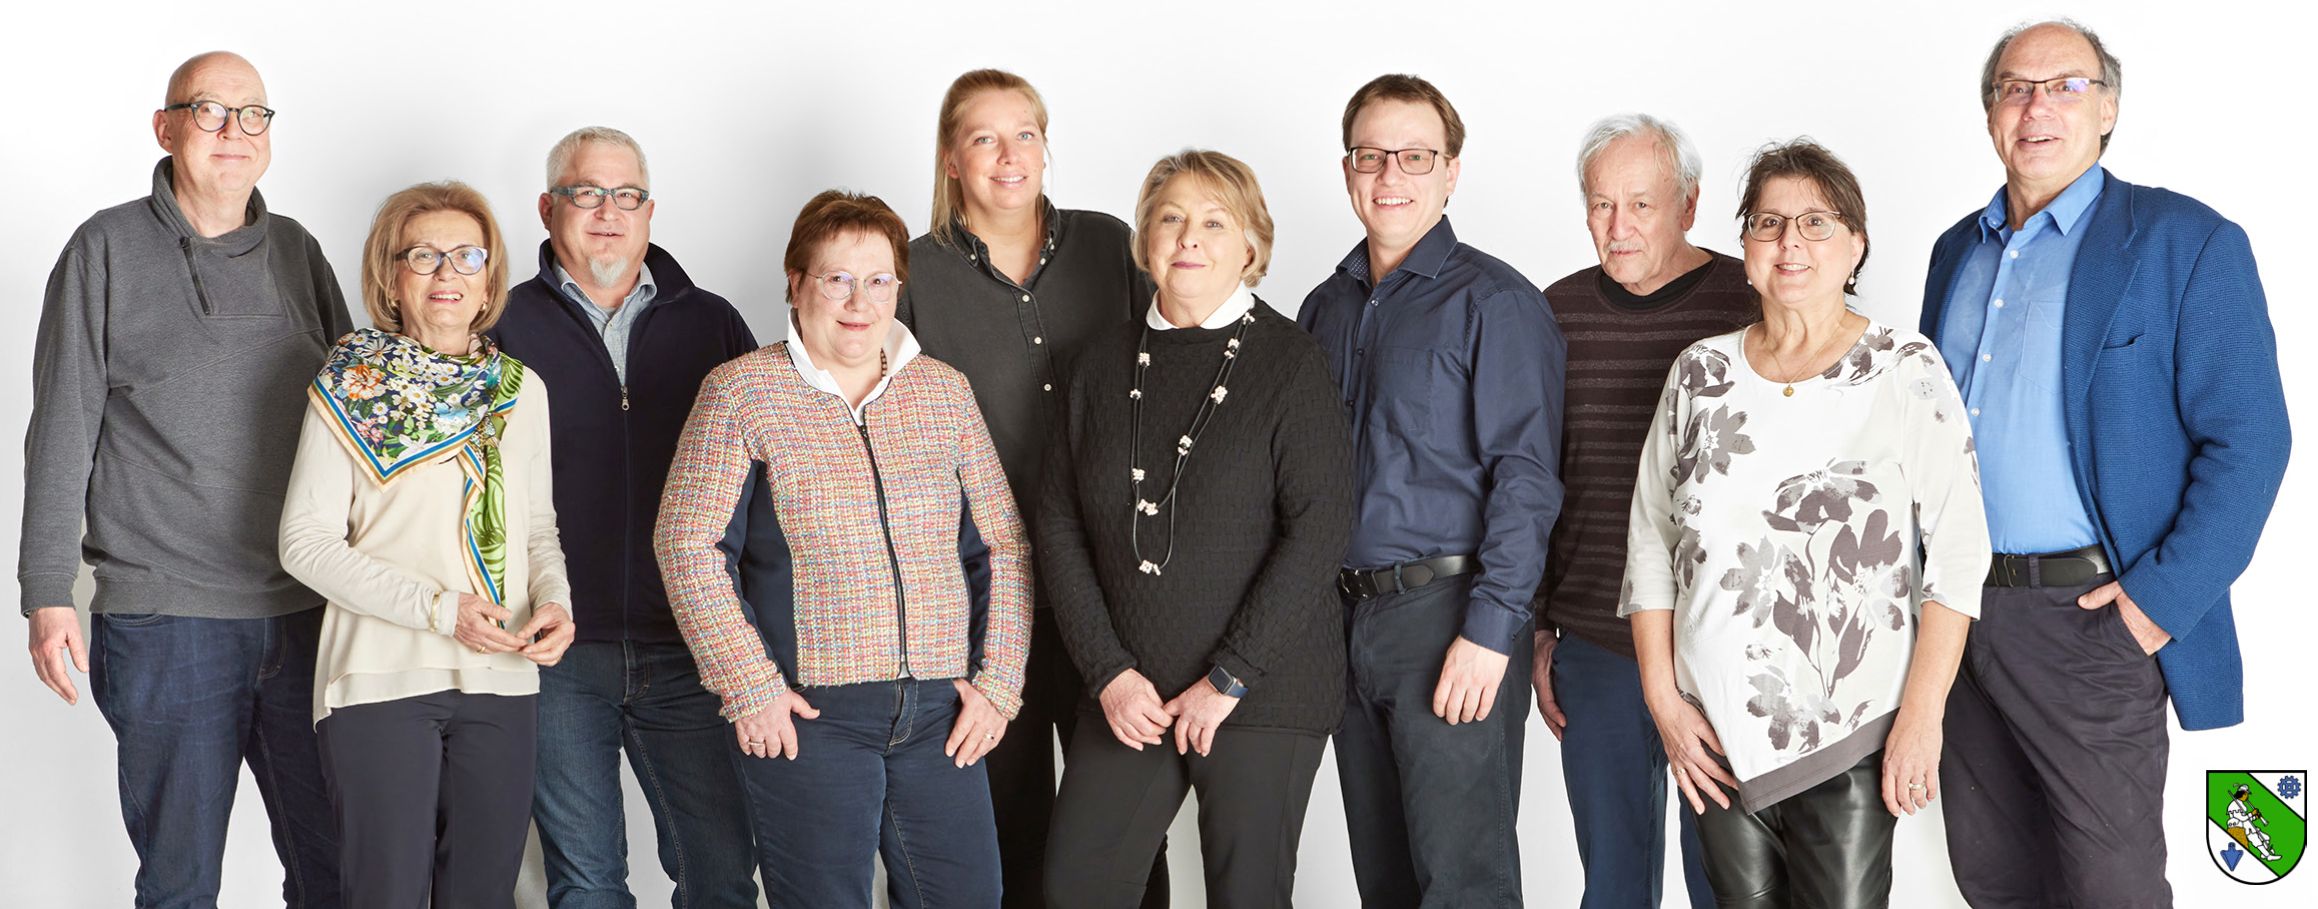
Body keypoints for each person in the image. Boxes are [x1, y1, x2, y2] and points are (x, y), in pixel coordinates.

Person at [1922, 20, 2291, 909]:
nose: (2037, 105)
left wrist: (2153, 608)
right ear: (1989, 113)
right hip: (1960, 616)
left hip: (2093, 620)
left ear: (2109, 108)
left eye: (2066, 86)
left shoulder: (2185, 242)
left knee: (2110, 886)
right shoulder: (1953, 254)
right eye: (2015, 87)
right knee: (1994, 876)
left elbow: (2252, 442)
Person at [20, 50, 349, 907]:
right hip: (169, 624)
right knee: (180, 884)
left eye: (252, 115)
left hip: (310, 614)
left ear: (269, 135)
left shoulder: (298, 252)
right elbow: (61, 426)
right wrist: (46, 588)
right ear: (165, 128)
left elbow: (359, 424)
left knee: (342, 872)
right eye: (208, 112)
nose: (232, 133)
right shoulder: (104, 249)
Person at [1623, 139, 1989, 908]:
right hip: (1712, 735)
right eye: (1768, 222)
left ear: (1855, 243)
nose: (1791, 242)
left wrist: (1922, 717)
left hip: (1850, 735)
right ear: (1746, 248)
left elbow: (1958, 553)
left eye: (1816, 222)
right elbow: (1651, 544)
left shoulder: (1902, 368)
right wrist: (1665, 702)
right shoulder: (1699, 373)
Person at [655, 190, 1032, 908]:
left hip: (941, 715)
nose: (860, 300)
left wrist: (999, 684)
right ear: (797, 284)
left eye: (880, 279)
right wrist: (751, 687)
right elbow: (687, 544)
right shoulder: (742, 393)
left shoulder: (943, 392)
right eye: (837, 278)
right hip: (811, 719)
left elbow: (1003, 545)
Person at [1040, 150, 1354, 908]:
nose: (1189, 237)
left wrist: (1230, 675)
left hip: (1263, 687)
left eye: (1215, 221)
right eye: (1171, 217)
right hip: (1131, 687)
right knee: (1078, 885)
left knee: (1247, 895)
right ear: (1146, 240)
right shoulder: (1097, 365)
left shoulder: (1291, 363)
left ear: (1251, 247)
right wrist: (1109, 671)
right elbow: (1056, 523)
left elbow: (1320, 529)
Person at [893, 68, 1159, 908]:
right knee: (1003, 823)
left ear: (1046, 147)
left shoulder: (1113, 245)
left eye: (1026, 135)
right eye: (984, 138)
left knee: (1119, 826)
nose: (1009, 156)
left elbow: (1176, 363)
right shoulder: (909, 273)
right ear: (950, 160)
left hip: (1111, 590)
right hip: (980, 595)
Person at [1298, 73, 1565, 907]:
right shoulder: (1323, 308)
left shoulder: (1497, 302)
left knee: (1464, 881)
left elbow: (1527, 480)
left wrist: (1490, 634)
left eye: (1416, 156)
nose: (1391, 176)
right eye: (1372, 155)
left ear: (1452, 172)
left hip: (1448, 621)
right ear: (1347, 170)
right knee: (1384, 880)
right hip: (1343, 627)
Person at [279, 181, 577, 907]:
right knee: (387, 894)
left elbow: (537, 527)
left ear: (489, 280)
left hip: (500, 678)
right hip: (380, 677)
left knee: (482, 894)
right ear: (391, 277)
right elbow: (304, 542)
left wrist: (556, 601)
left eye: (466, 256)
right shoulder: (349, 384)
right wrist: (439, 608)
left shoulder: (520, 390)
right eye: (425, 256)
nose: (448, 274)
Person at [487, 126, 760, 909]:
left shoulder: (712, 323)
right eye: (585, 193)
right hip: (559, 647)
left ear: (649, 210)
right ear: (548, 208)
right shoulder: (502, 326)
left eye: (626, 195)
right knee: (586, 880)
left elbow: (761, 482)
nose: (607, 211)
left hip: (694, 646)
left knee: (721, 875)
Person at [1533, 113, 1755, 909]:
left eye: (1641, 205)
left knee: (1728, 881)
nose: (1617, 227)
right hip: (1598, 638)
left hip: (1723, 645)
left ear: (1688, 205)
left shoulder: (1753, 300)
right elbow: (1535, 479)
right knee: (1614, 886)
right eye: (1600, 205)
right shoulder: (1552, 314)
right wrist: (1536, 624)